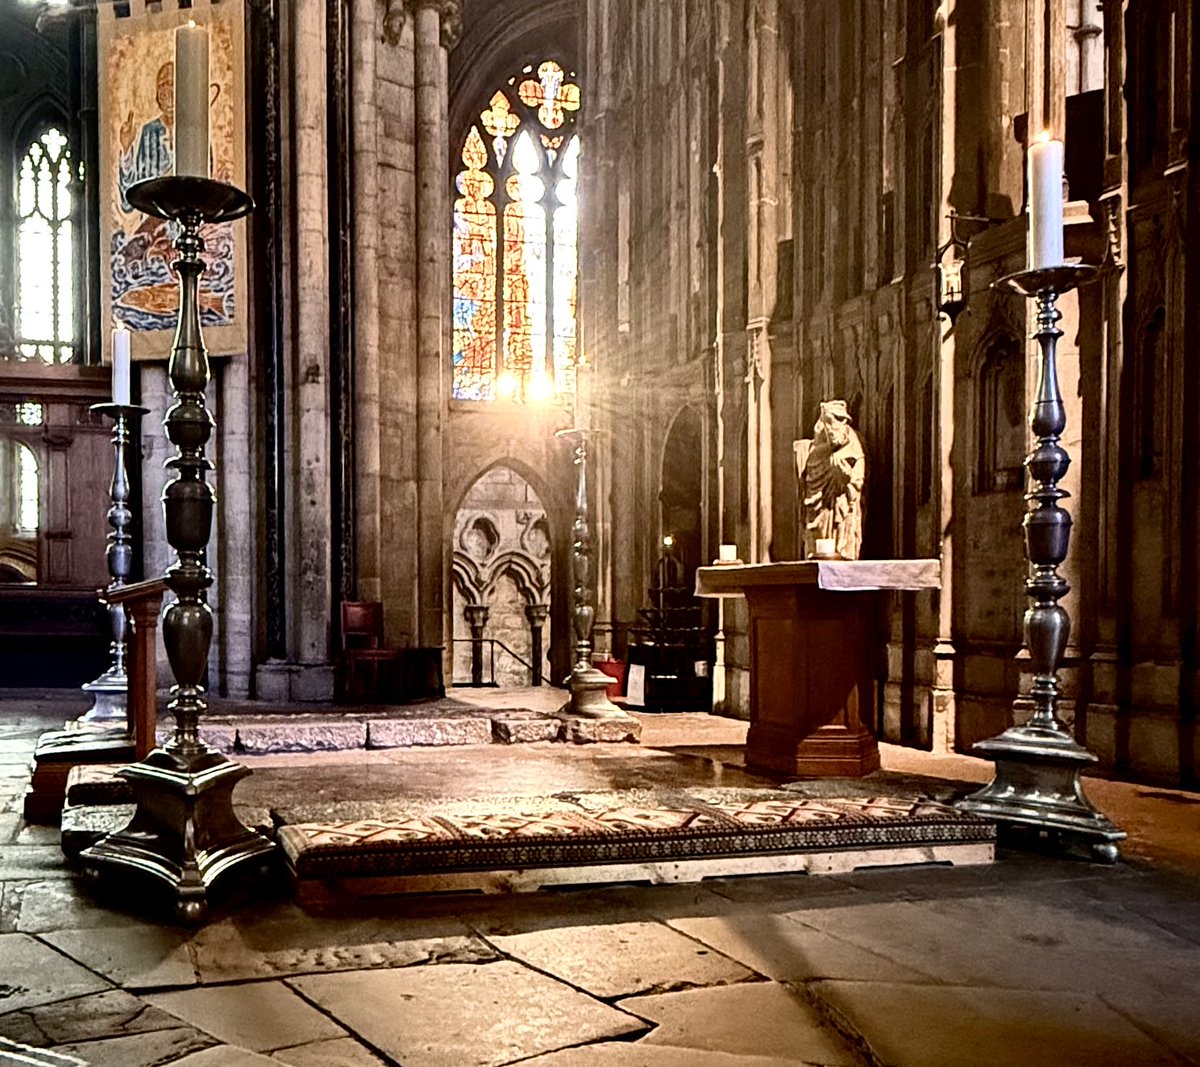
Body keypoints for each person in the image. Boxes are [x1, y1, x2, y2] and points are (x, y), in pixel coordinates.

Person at [793, 400, 866, 560]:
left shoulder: (853, 446)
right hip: (821, 511)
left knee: (842, 543)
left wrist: (846, 478)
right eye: (828, 429)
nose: (832, 433)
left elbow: (857, 482)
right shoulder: (816, 451)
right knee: (818, 539)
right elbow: (811, 478)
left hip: (842, 509)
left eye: (835, 427)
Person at [118, 62, 174, 211]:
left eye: (172, 84)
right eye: (163, 85)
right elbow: (132, 192)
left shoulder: (194, 132)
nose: (168, 92)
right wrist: (126, 148)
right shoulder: (149, 132)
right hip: (154, 219)